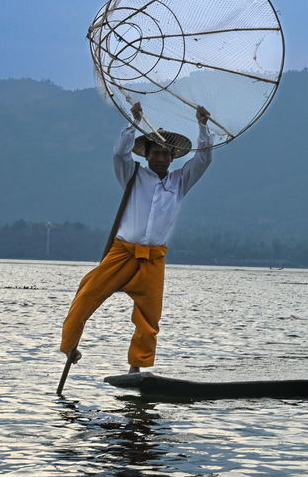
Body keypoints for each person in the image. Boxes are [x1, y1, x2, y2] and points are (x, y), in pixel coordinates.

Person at [60, 101, 213, 375]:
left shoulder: (180, 182)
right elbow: (120, 154)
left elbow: (203, 160)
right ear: (147, 155)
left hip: (154, 259)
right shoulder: (133, 175)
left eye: (166, 154)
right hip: (122, 252)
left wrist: (203, 126)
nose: (161, 159)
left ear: (172, 158)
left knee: (149, 319)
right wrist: (135, 122)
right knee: (86, 296)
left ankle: (136, 368)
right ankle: (70, 348)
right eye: (156, 153)